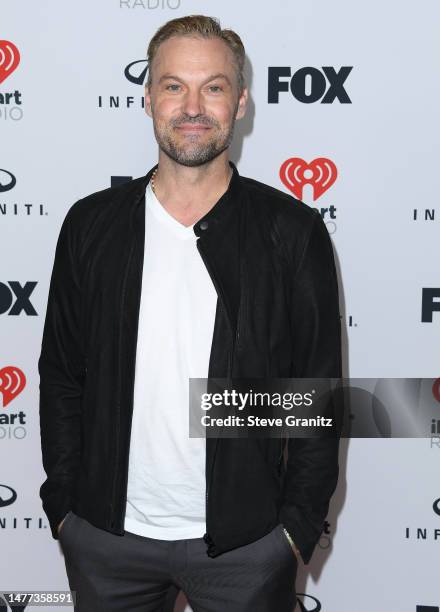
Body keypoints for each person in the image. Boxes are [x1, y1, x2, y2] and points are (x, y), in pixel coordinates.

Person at [38, 14, 342, 612]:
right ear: (148, 98)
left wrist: (292, 530)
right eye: (174, 86)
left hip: (244, 548)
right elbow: (62, 376)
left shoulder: (292, 232)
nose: (193, 106)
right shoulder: (90, 225)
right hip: (105, 538)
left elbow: (313, 395)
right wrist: (67, 509)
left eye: (214, 86)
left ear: (242, 101)